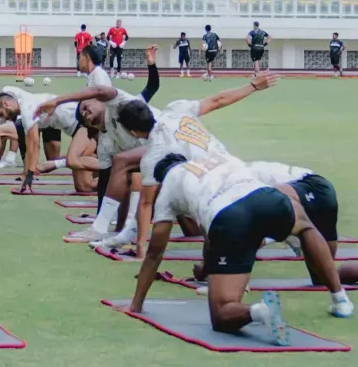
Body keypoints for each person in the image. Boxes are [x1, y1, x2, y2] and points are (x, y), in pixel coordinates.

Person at [125, 154, 352, 347]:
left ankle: (259, 311)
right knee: (305, 225)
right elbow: (209, 237)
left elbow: (155, 252)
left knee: (221, 315)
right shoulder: (215, 159)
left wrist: (136, 305)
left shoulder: (170, 184)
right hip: (267, 197)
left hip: (230, 216)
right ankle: (340, 299)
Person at [105, 74, 278, 253]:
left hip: (217, 187)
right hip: (237, 167)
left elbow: (146, 203)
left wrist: (141, 248)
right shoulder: (176, 108)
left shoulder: (154, 154)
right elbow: (217, 100)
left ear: (133, 132)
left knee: (224, 240)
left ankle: (260, 235)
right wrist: (252, 86)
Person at [34, 46, 162, 242]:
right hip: (143, 153)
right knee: (117, 171)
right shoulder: (107, 134)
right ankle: (117, 227)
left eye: (86, 106)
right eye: (84, 115)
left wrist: (57, 101)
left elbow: (107, 91)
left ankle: (127, 227)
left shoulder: (115, 97)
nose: (85, 111)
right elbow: (106, 180)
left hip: (168, 148)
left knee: (130, 169)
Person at [246, 160, 358, 287]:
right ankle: (291, 231)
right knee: (324, 278)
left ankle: (291, 231)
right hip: (318, 192)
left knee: (261, 205)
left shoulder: (237, 178)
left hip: (312, 187)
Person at [0, 88, 81, 193]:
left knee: (82, 164)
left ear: (5, 103)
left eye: (1, 114)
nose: (4, 119)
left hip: (80, 121)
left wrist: (29, 176)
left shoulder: (26, 110)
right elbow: (29, 148)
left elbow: (35, 144)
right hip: (73, 126)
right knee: (83, 186)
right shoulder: (19, 102)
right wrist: (25, 179)